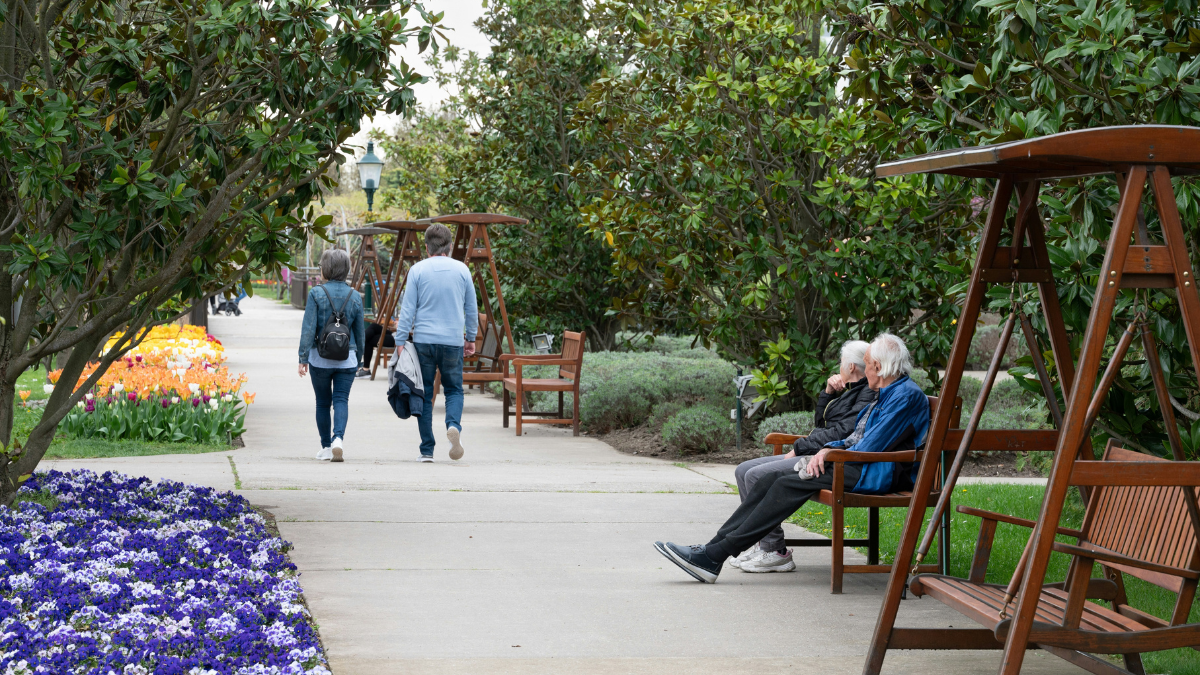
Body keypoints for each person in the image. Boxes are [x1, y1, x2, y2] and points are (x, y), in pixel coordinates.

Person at [654, 333, 930, 583]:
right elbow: (854, 439)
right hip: (856, 464)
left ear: (878, 368)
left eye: (868, 363)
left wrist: (829, 453)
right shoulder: (888, 393)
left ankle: (714, 555)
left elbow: (869, 447)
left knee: (786, 482)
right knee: (769, 479)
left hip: (872, 472)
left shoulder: (904, 396)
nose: (865, 368)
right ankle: (711, 551)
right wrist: (826, 449)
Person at [729, 340, 875, 573]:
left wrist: (798, 448)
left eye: (840, 363)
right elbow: (822, 424)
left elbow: (842, 432)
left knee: (755, 476)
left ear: (850, 367)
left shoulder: (867, 393)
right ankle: (767, 545)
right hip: (816, 452)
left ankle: (774, 551)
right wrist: (828, 393)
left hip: (830, 459)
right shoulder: (852, 391)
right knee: (742, 470)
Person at [393, 223, 478, 463]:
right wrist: (470, 338)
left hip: (424, 342)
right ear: (449, 247)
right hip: (452, 341)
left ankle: (427, 450)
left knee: (424, 392)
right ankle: (454, 425)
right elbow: (471, 309)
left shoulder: (417, 270)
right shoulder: (462, 270)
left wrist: (401, 340)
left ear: (427, 248)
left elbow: (407, 309)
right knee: (453, 389)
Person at [298, 249, 366, 463]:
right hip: (348, 357)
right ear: (346, 269)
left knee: (322, 403)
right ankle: (338, 439)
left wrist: (302, 358)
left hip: (320, 358)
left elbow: (308, 328)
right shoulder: (355, 296)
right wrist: (359, 358)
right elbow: (360, 332)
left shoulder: (316, 294)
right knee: (341, 400)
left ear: (326, 269)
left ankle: (326, 447)